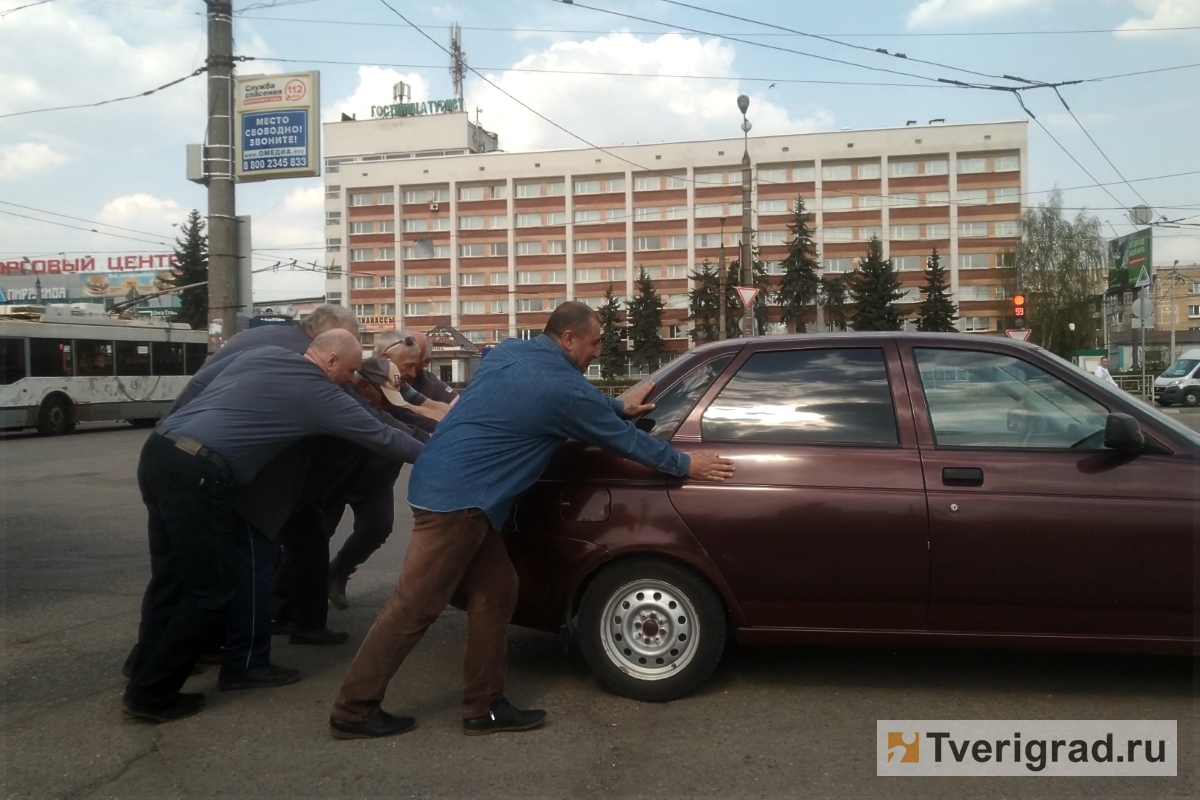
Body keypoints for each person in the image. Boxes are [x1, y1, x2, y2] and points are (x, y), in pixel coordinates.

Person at [328, 302, 735, 740]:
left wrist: (615, 406)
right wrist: (685, 465)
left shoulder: (507, 352)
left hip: (454, 490)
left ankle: (483, 707)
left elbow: (569, 402)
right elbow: (622, 441)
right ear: (569, 339)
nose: (598, 351)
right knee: (413, 608)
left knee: (497, 592)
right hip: (457, 502)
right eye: (596, 341)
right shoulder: (562, 389)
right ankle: (354, 709)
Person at [123, 330, 424, 724]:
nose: (351, 379)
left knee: (172, 577)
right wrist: (444, 457)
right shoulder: (319, 393)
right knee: (209, 591)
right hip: (201, 473)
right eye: (349, 370)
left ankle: (142, 670)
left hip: (161, 452)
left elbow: (201, 385)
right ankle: (152, 693)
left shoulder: (264, 355)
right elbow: (383, 436)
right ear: (330, 361)